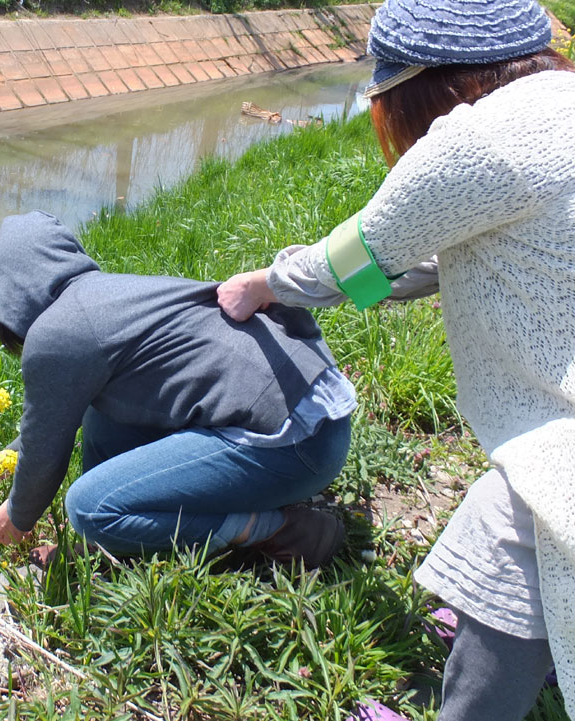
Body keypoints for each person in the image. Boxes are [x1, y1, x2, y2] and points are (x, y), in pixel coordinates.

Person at [215, 0, 575, 718]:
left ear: (420, 85)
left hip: (562, 445)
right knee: (500, 507)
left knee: (515, 551)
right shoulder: (560, 105)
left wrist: (262, 285)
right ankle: (507, 639)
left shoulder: (477, 141)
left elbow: (355, 258)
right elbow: (446, 254)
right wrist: (370, 283)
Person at [0, 209, 356, 569]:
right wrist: (12, 454)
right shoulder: (104, 296)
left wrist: (18, 514)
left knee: (89, 508)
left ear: (12, 298)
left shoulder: (55, 335)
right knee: (100, 409)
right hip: (317, 413)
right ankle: (108, 541)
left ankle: (278, 530)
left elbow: (46, 458)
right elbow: (51, 419)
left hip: (300, 445)